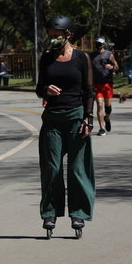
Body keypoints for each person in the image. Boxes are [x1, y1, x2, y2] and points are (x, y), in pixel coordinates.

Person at [35, 15, 95, 236]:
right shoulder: (46, 58)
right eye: (50, 35)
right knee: (52, 168)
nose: (52, 39)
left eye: (56, 35)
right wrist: (45, 90)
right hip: (52, 119)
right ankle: (50, 212)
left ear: (68, 35)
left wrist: (88, 119)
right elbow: (39, 87)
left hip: (75, 117)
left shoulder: (81, 58)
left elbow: (89, 90)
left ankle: (78, 213)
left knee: (77, 169)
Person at [90, 37, 119, 136]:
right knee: (99, 104)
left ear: (103, 44)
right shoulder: (92, 56)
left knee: (108, 107)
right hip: (96, 84)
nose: (98, 45)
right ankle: (102, 129)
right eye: (97, 43)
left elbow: (117, 66)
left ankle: (107, 118)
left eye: (100, 43)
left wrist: (111, 67)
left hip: (107, 84)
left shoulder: (108, 54)